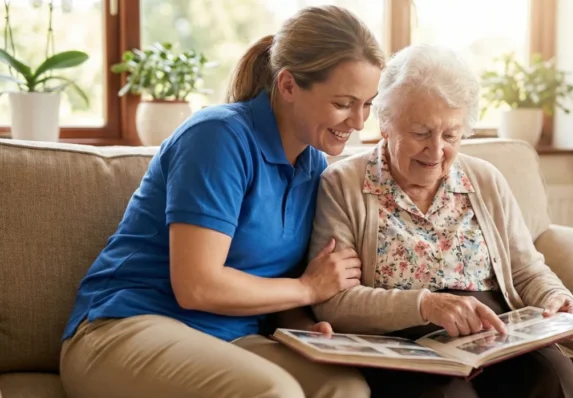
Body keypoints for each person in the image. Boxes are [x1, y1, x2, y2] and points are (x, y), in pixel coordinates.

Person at [59, 5, 383, 398]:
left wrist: (303, 324)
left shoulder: (314, 166)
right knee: (275, 393)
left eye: (367, 104)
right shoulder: (218, 137)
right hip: (124, 327)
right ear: (288, 86)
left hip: (229, 340)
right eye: (344, 103)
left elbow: (275, 279)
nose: (359, 122)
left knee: (345, 388)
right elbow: (197, 285)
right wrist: (308, 289)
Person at [306, 43, 573, 398]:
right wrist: (425, 305)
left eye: (450, 135)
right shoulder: (343, 185)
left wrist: (556, 298)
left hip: (496, 332)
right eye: (420, 133)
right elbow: (333, 302)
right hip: (406, 340)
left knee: (556, 380)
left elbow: (526, 269)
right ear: (386, 124)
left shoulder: (485, 180)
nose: (436, 150)